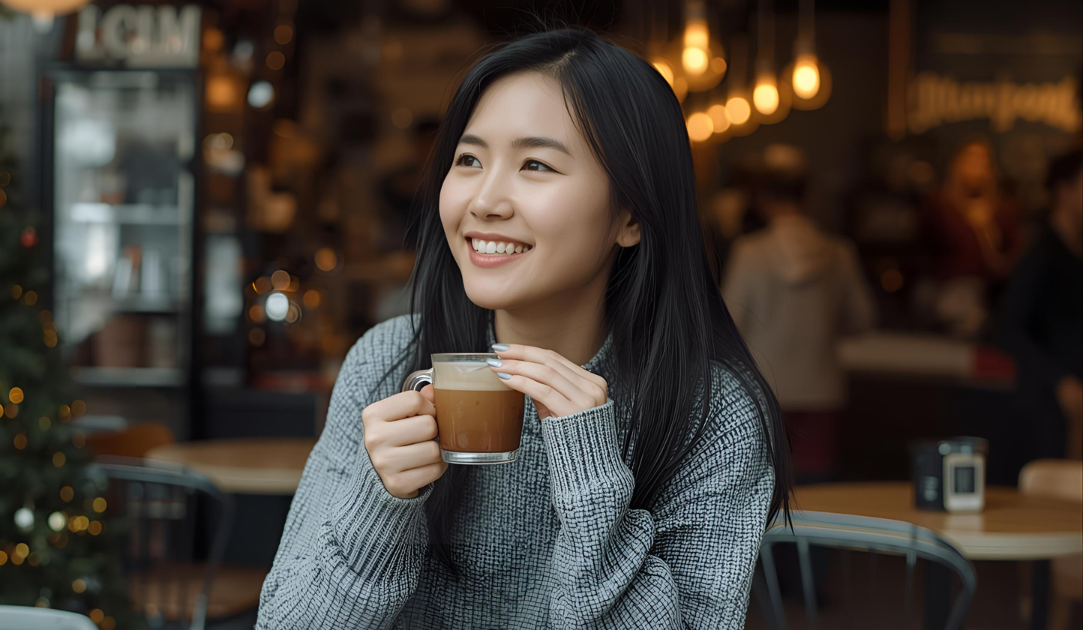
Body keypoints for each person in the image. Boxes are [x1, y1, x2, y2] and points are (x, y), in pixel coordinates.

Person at [257, 27, 791, 628]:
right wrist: (379, 507)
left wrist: (591, 487)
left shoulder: (709, 414)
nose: (484, 200)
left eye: (535, 164)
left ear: (631, 215)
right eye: (469, 160)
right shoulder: (387, 363)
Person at [721, 145, 876, 484]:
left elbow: (730, 326)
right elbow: (862, 320)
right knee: (818, 494)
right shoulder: (840, 253)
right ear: (807, 195)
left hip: (764, 389)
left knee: (765, 489)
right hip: (822, 389)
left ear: (763, 199)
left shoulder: (749, 252)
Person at [992, 149, 1083, 463]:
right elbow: (1010, 328)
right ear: (1064, 190)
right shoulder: (1041, 253)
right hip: (1045, 403)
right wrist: (1059, 380)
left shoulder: (1075, 252)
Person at [922, 140, 1022, 336]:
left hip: (994, 290)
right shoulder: (939, 204)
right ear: (956, 165)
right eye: (970, 161)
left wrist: (986, 230)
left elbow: (1012, 260)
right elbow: (926, 251)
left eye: (982, 163)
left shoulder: (1005, 209)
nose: (976, 169)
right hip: (949, 288)